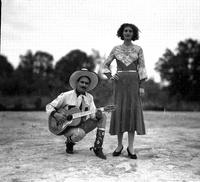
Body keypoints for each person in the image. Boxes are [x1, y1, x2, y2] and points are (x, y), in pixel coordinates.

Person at [103, 23, 147, 159]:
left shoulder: (138, 49)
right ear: (122, 33)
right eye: (125, 31)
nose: (128, 33)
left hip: (134, 82)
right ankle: (119, 145)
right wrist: (110, 76)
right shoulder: (116, 49)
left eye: (130, 31)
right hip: (120, 83)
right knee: (120, 111)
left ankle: (131, 147)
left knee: (132, 111)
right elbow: (105, 64)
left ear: (134, 34)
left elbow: (142, 67)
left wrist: (141, 86)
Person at [46, 68, 107, 159]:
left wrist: (97, 114)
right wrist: (56, 115)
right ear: (77, 83)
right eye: (82, 82)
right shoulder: (66, 95)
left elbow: (93, 115)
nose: (84, 85)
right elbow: (49, 106)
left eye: (86, 83)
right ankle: (70, 142)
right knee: (80, 134)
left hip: (81, 125)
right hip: (65, 127)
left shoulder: (90, 98)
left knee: (103, 116)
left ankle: (98, 147)